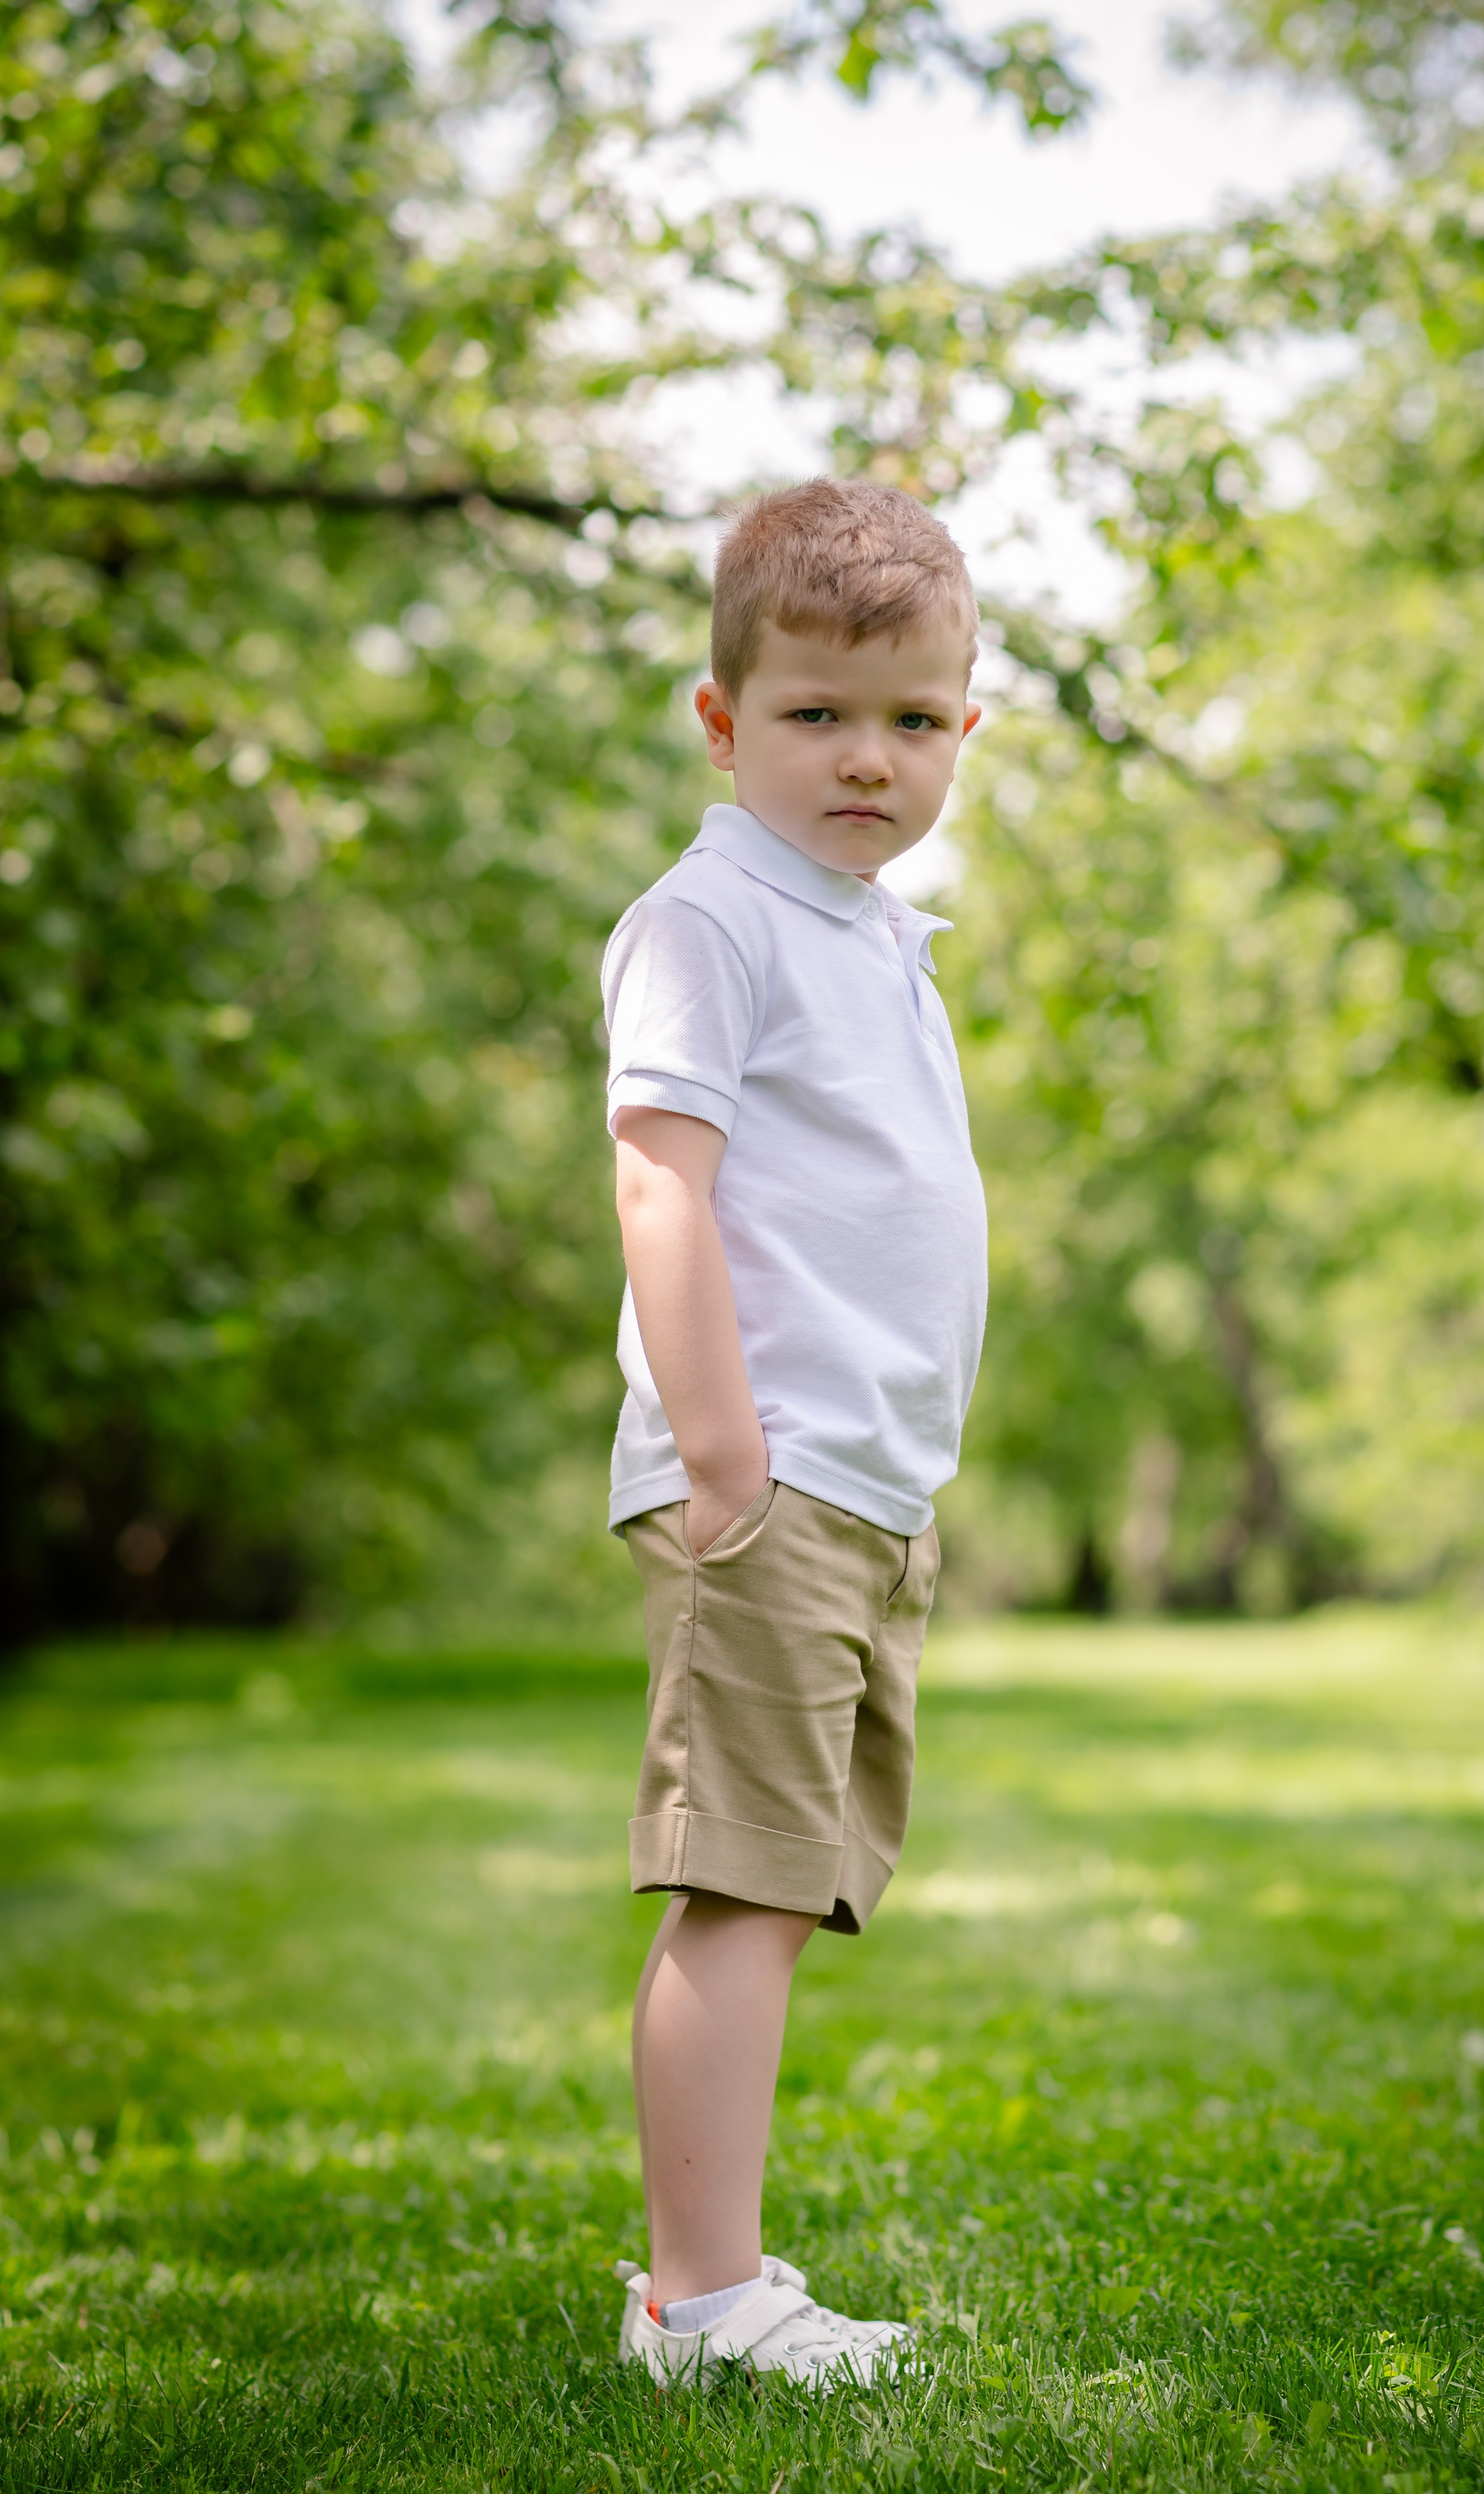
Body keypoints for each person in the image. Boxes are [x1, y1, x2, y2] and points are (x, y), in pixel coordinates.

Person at [602, 478, 989, 2388]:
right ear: (723, 717)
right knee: (741, 1879)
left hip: (867, 1485)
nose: (869, 759)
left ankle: (721, 2279)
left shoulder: (877, 934)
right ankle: (701, 2302)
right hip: (772, 1478)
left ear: (968, 733)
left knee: (789, 1878)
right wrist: (722, 1447)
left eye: (913, 721)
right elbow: (662, 1182)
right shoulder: (708, 921)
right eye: (821, 713)